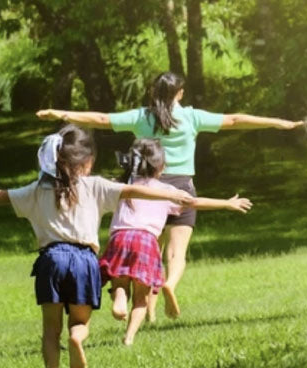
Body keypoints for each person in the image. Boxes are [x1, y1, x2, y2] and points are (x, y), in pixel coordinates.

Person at [36, 71, 304, 321]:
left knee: (152, 248)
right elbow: (234, 120)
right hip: (181, 187)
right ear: (180, 93)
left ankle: (148, 312)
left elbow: (103, 120)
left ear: (154, 91)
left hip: (146, 189)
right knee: (176, 252)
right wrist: (276, 122)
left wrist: (59, 113)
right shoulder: (191, 117)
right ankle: (169, 284)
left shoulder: (142, 117)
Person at [0, 125, 194, 368]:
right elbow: (132, 189)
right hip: (84, 262)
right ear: (88, 162)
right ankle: (76, 339)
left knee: (50, 330)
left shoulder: (38, 190)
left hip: (51, 261)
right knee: (80, 324)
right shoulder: (95, 186)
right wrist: (171, 197)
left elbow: (3, 195)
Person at [100, 138, 252, 345]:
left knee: (120, 282)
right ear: (160, 167)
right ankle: (128, 339)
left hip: (120, 238)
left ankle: (119, 298)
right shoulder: (167, 191)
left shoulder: (122, 186)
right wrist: (226, 203)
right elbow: (194, 202)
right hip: (145, 240)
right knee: (141, 298)